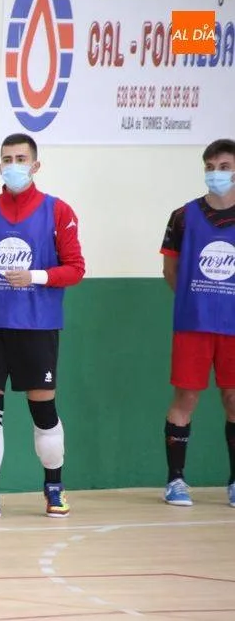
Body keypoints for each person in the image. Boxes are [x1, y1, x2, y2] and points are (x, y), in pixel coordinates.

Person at [0, 132, 85, 520]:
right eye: (7, 160)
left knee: (43, 412)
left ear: (35, 165)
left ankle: (54, 487)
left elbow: (76, 268)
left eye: (21, 159)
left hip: (36, 327)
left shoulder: (58, 211)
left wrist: (36, 276)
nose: (14, 166)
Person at [159, 138, 235, 508]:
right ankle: (175, 480)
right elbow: (170, 270)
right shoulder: (183, 216)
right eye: (210, 167)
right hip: (194, 324)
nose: (216, 173)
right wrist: (197, 300)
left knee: (233, 398)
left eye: (224, 167)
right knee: (186, 397)